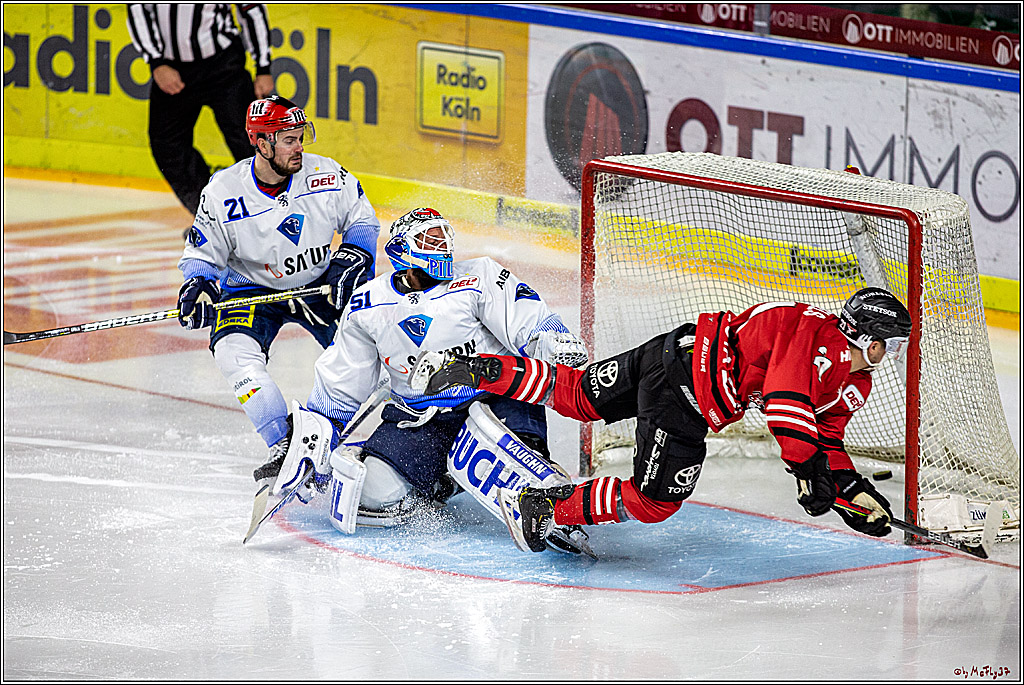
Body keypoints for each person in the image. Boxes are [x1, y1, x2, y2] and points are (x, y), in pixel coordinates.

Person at [417, 287, 913, 554]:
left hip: (671, 351)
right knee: (655, 502)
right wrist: (809, 474)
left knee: (578, 395)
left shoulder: (855, 380)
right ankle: (543, 506)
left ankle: (479, 369)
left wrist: (851, 492)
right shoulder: (812, 334)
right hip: (687, 394)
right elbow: (787, 411)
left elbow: (825, 436)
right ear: (870, 338)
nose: (892, 354)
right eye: (891, 344)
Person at [262, 207, 592, 554]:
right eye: (429, 239)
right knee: (375, 500)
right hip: (422, 419)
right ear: (402, 250)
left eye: (443, 238)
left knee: (529, 479)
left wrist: (551, 339)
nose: (442, 246)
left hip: (491, 401)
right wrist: (313, 435)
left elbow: (524, 317)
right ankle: (444, 481)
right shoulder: (367, 304)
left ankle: (539, 475)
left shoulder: (477, 275)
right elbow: (343, 379)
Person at [176, 94, 380, 470]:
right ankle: (283, 443)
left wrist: (352, 257)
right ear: (261, 142)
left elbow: (362, 220)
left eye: (301, 136)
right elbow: (203, 255)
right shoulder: (223, 192)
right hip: (251, 290)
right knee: (233, 354)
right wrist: (199, 285)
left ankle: (331, 430)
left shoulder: (326, 175)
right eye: (289, 139)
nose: (299, 147)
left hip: (319, 285)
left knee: (368, 352)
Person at [127, 3, 275, 218]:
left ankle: (271, 214)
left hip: (223, 65)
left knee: (251, 142)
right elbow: (137, 9)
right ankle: (210, 217)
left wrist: (263, 67)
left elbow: (251, 10)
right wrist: (156, 62)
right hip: (172, 68)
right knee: (167, 145)